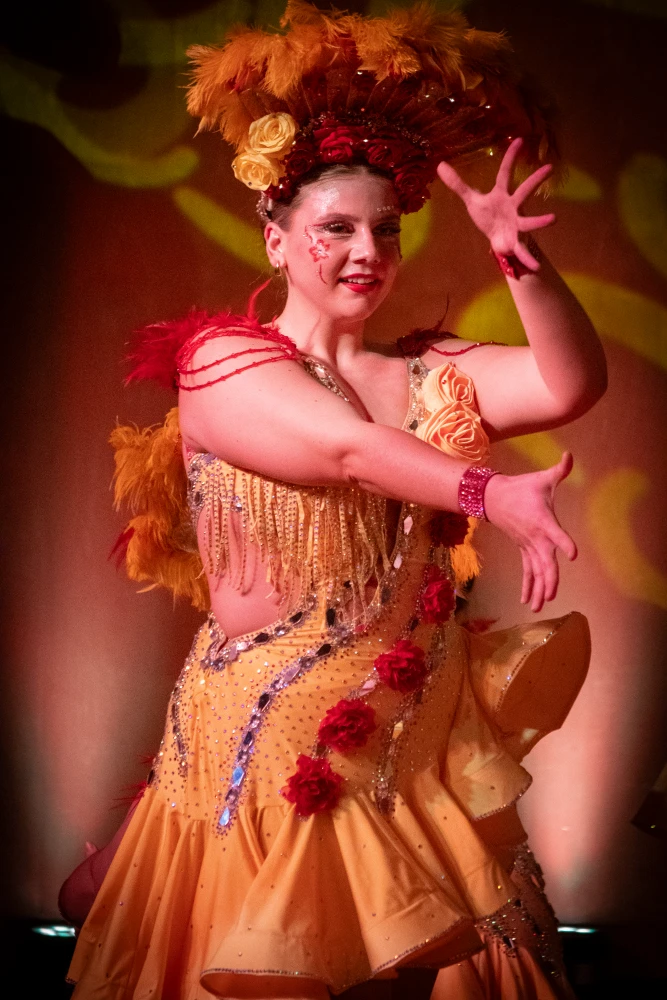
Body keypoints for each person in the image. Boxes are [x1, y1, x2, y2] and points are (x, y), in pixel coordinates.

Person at [63, 4, 606, 998]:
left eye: (385, 229)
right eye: (336, 229)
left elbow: (568, 384)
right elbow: (347, 451)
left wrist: (517, 261)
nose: (367, 251)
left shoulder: (428, 371)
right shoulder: (223, 362)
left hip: (414, 733)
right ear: (275, 240)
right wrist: (486, 488)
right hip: (275, 746)